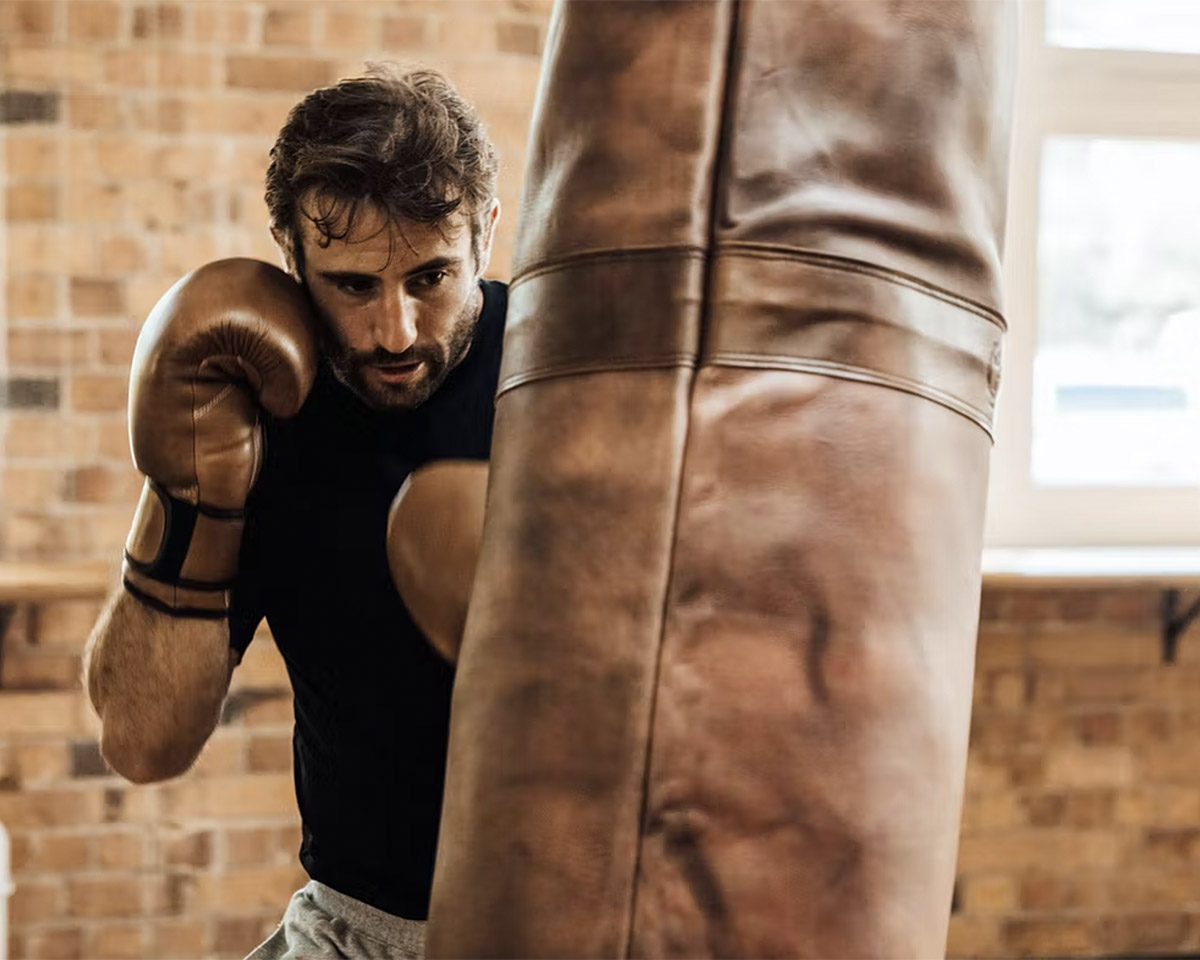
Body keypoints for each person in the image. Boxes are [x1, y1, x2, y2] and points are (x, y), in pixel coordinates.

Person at [81, 64, 504, 960]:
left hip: (593, 926)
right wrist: (191, 496)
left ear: (488, 236)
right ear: (291, 256)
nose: (394, 332)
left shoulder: (565, 381)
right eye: (352, 286)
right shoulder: (264, 410)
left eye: (431, 277)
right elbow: (141, 742)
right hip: (361, 928)